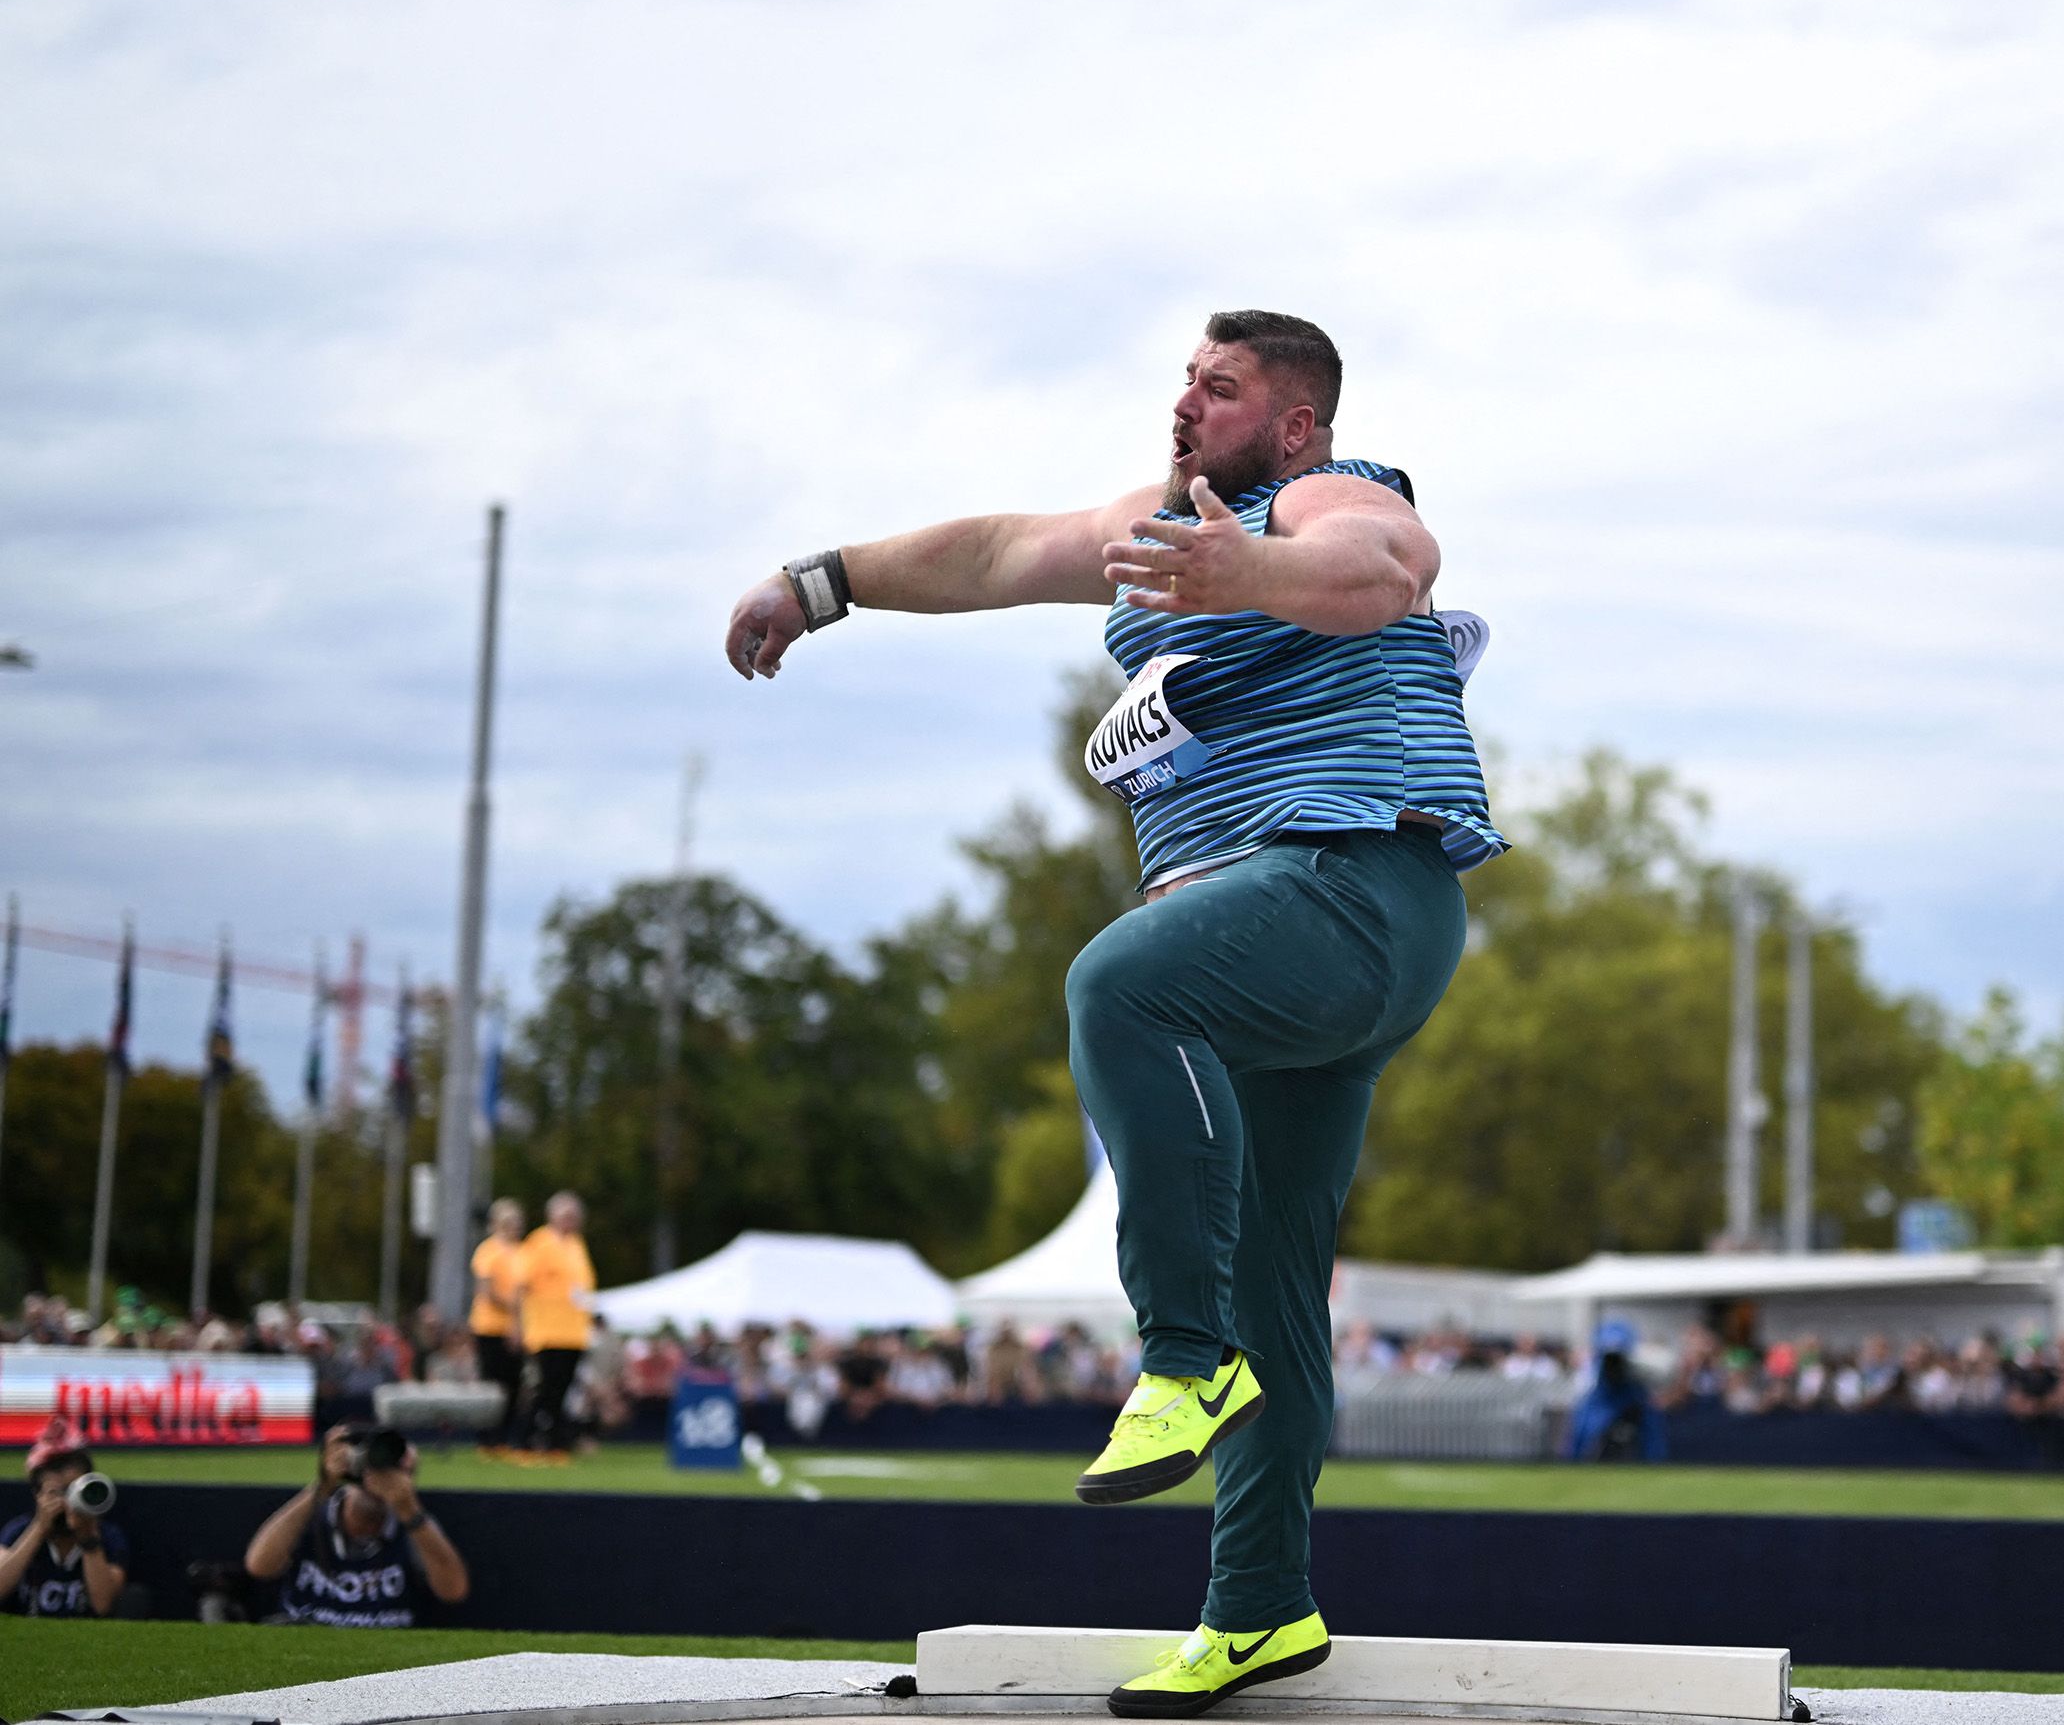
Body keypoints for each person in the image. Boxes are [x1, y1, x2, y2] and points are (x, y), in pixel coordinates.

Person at [724, 310, 1497, 1718]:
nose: (1188, 402)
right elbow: (999, 551)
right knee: (1281, 1282)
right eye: (1186, 380)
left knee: (1116, 980)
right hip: (1282, 958)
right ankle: (1260, 1605)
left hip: (1351, 882)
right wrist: (823, 580)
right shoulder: (1151, 524)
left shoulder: (1327, 493)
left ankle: (1178, 1359)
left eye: (1224, 386)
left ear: (1295, 422)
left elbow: (1385, 568)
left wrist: (1246, 566)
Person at [243, 1424, 469, 1626]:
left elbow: (454, 1591)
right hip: (306, 1635)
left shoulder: (414, 1525)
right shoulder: (314, 1512)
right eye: (374, 1464)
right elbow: (259, 1566)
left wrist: (410, 1512)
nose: (382, 1476)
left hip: (384, 1648)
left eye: (400, 1470)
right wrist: (322, 1486)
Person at [0, 1418, 128, 1618]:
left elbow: (103, 1605)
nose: (66, 1501)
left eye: (72, 1490)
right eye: (55, 1493)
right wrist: (39, 1528)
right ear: (37, 1494)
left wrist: (88, 1540)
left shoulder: (107, 1536)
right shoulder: (18, 1531)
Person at [516, 1191, 596, 1460]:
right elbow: (522, 1285)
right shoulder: (539, 1243)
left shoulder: (576, 1244)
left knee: (561, 1390)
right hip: (546, 1330)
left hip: (572, 1332)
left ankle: (554, 1441)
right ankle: (526, 1438)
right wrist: (518, 1324)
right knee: (545, 1388)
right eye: (565, 1216)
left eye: (574, 1216)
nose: (570, 1221)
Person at [470, 1197, 527, 1454]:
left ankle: (504, 1437)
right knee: (492, 1383)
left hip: (516, 1328)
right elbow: (487, 1291)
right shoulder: (488, 1251)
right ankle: (487, 1438)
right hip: (490, 1327)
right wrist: (515, 1309)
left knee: (513, 1385)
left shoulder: (522, 1252)